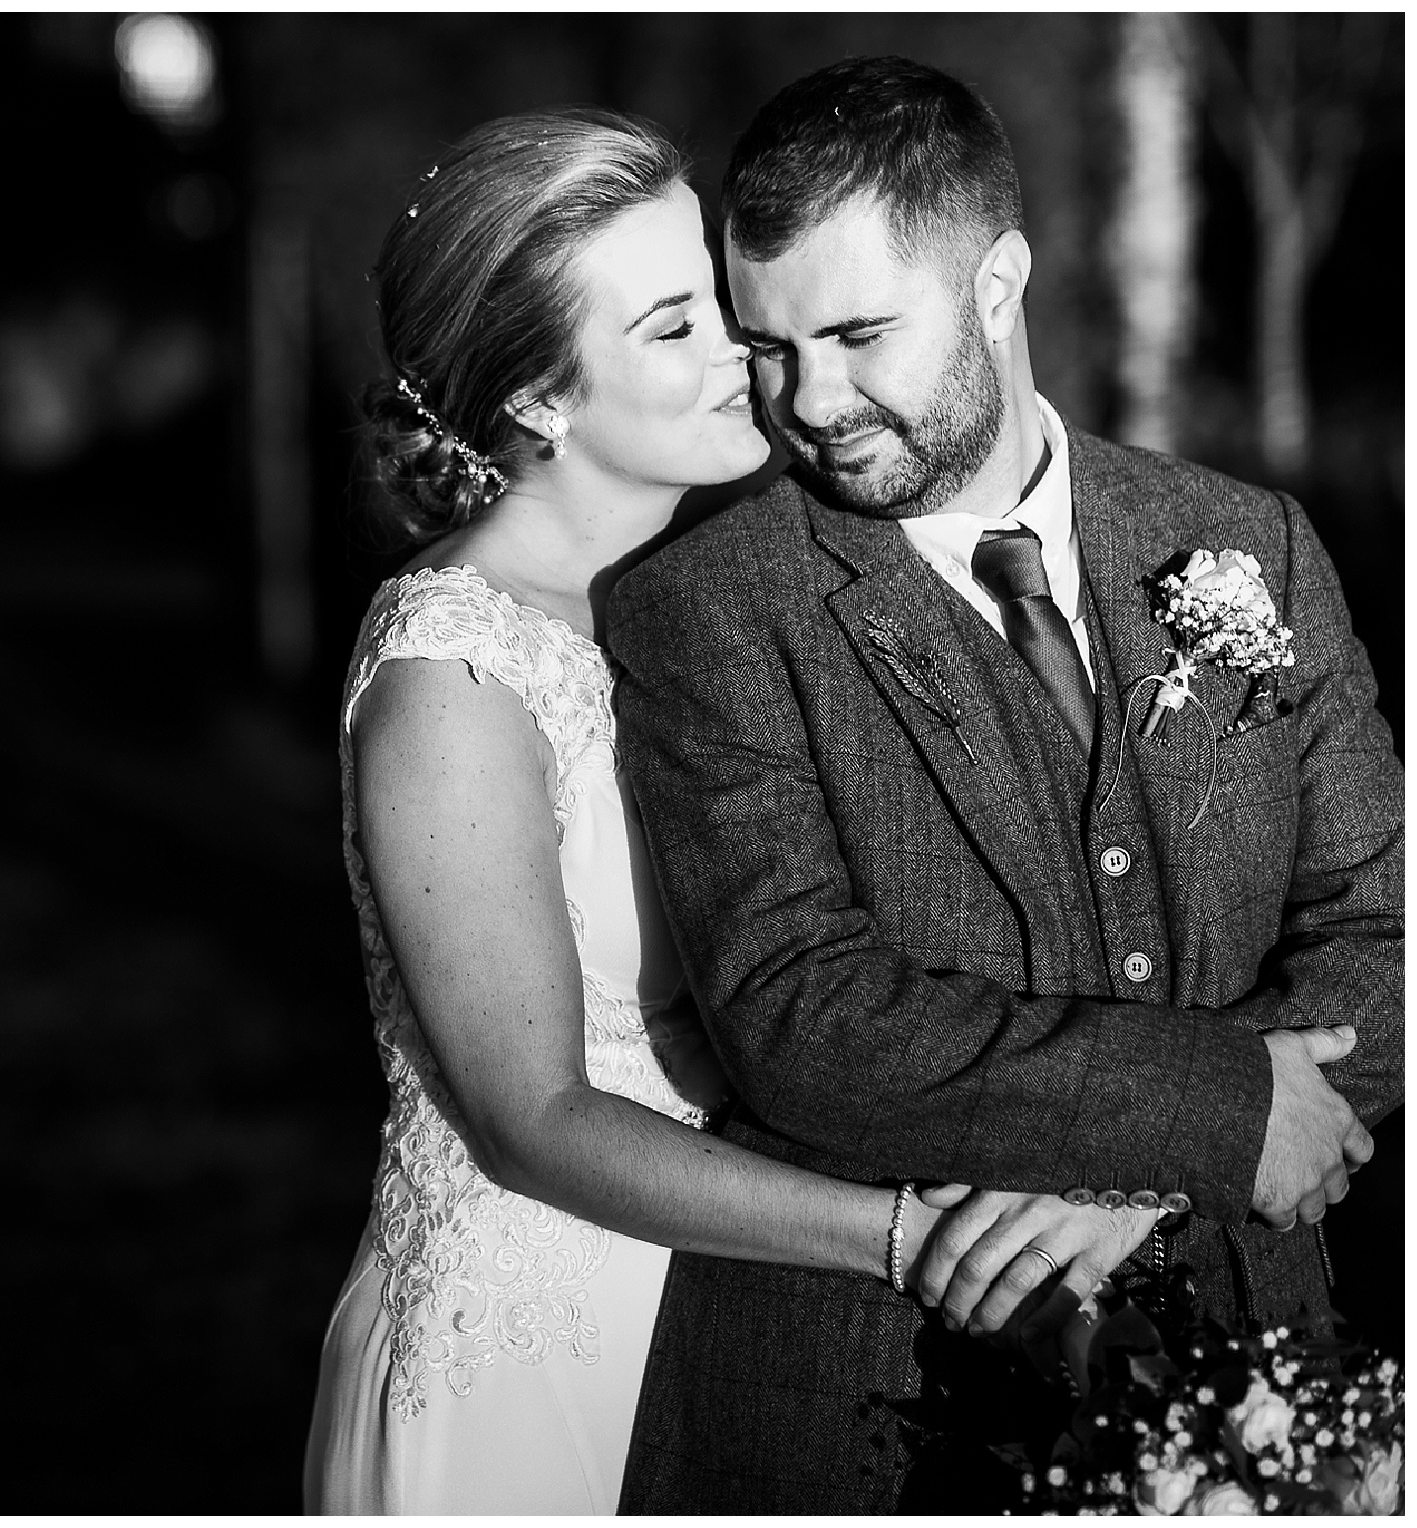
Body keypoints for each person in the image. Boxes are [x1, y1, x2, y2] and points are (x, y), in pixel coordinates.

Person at [300, 106, 1162, 1517]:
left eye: (719, 302)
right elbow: (534, 1118)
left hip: (742, 1320)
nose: (744, 359)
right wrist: (913, 1240)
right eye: (671, 329)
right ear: (537, 402)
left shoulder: (694, 601)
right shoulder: (450, 680)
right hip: (540, 1357)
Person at [609, 57, 1404, 1513]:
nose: (811, 400)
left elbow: (1387, 933)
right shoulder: (705, 603)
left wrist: (1155, 1176)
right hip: (875, 1406)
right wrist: (1220, 1111)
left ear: (998, 283)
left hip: (1265, 1360)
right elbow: (802, 1012)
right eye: (769, 346)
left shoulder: (1249, 543)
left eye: (857, 333)